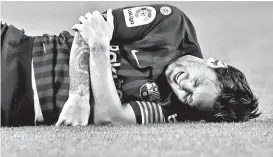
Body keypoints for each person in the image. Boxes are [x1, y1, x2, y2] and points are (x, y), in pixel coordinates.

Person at [1, 4, 260, 126]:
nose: (185, 87)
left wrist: (101, 49)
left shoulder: (175, 109)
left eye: (190, 97)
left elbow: (110, 116)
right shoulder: (171, 24)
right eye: (198, 82)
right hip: (16, 51)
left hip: (14, 108)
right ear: (215, 63)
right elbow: (89, 27)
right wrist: (79, 94)